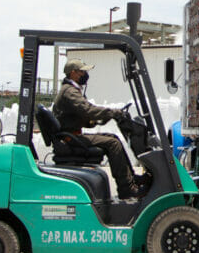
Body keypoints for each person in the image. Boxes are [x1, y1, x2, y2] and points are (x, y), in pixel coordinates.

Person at [52, 58, 146, 199]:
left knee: (113, 138)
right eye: (82, 72)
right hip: (70, 138)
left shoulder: (70, 90)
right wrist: (113, 112)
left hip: (71, 135)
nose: (85, 75)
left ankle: (131, 179)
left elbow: (80, 115)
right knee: (113, 143)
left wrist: (97, 120)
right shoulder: (70, 92)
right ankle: (126, 188)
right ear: (73, 73)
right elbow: (87, 110)